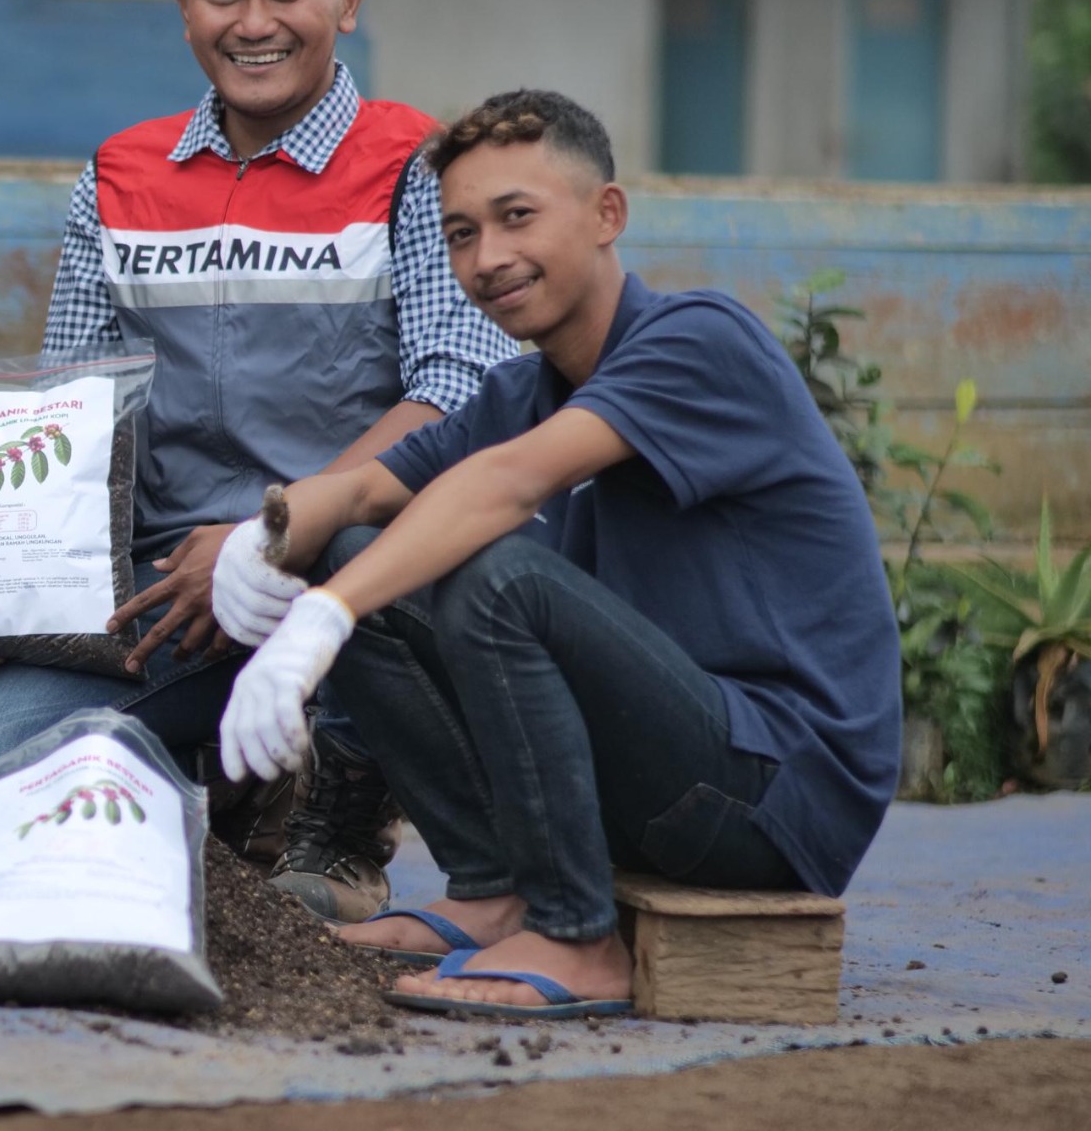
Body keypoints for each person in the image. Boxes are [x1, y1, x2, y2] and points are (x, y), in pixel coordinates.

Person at [0, 0, 517, 924]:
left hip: (341, 570)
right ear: (183, 7)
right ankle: (218, 795)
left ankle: (345, 810)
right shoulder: (120, 175)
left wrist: (266, 533)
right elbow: (72, 412)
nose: (253, 21)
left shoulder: (416, 164)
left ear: (348, 0)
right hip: (165, 596)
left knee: (390, 541)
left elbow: (460, 390)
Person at [212, 88, 900, 1019]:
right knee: (362, 549)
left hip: (774, 795)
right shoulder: (523, 389)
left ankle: (580, 937)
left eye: (517, 217)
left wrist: (319, 625)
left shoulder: (698, 343)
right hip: (662, 768)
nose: (488, 258)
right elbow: (368, 490)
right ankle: (495, 893)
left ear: (607, 214)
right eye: (460, 234)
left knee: (499, 580)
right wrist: (267, 542)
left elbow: (505, 487)